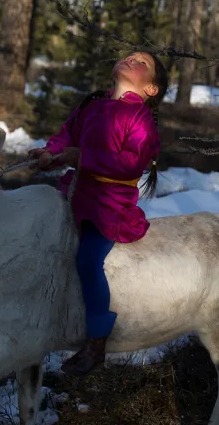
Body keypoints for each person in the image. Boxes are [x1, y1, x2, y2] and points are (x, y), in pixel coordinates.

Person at [29, 52, 167, 376]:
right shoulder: (92, 103)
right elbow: (67, 134)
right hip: (73, 193)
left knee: (88, 261)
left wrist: (80, 157)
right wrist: (50, 152)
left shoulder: (140, 119)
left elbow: (130, 163)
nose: (131, 59)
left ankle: (96, 341)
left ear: (151, 89)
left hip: (108, 206)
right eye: (130, 56)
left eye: (142, 63)